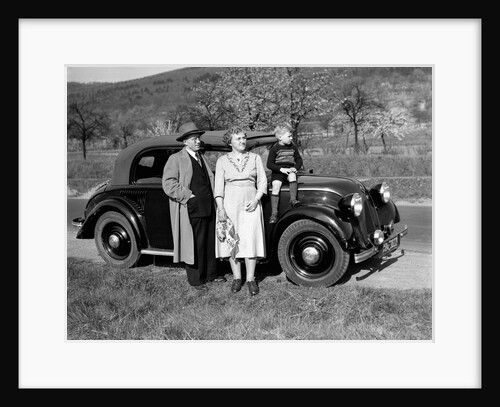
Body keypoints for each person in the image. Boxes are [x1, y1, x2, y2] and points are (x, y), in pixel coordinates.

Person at [162, 122, 227, 291]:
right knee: (195, 243)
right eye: (194, 139)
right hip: (191, 208)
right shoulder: (175, 159)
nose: (198, 141)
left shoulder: (201, 157)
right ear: (185, 142)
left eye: (198, 138)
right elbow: (168, 184)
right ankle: (196, 279)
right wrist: (188, 196)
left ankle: (211, 274)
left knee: (208, 241)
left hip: (208, 207)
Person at [214, 127, 267, 296]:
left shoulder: (255, 158)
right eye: (238, 139)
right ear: (230, 142)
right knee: (232, 239)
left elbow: (263, 181)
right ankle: (237, 278)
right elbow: (218, 188)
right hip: (230, 203)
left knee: (250, 238)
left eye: (244, 138)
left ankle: (251, 279)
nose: (243, 141)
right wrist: (221, 209)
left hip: (250, 202)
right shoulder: (222, 160)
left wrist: (257, 198)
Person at [266, 123, 304, 223]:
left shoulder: (293, 147)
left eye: (291, 136)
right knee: (276, 185)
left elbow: (299, 159)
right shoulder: (274, 148)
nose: (291, 138)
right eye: (289, 136)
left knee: (292, 176)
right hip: (278, 171)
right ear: (280, 137)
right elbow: (269, 164)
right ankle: (274, 213)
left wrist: (295, 168)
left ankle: (293, 200)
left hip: (290, 169)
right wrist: (281, 169)